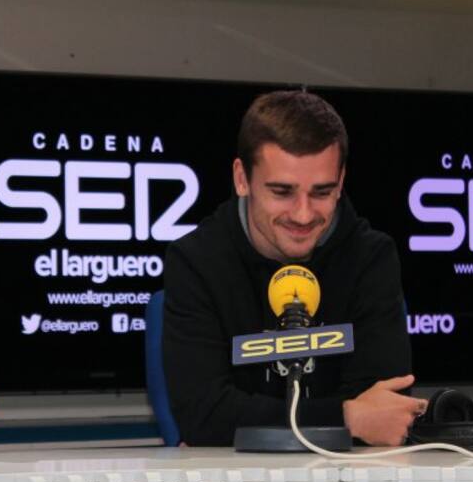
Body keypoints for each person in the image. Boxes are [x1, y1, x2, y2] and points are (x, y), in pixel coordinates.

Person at [162, 89, 426, 446]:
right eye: (282, 192)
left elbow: (385, 410)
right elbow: (205, 416)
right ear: (242, 179)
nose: (303, 215)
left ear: (341, 182)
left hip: (348, 477)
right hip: (239, 477)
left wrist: (255, 420)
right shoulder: (196, 261)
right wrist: (347, 418)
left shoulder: (371, 257)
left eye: (321, 192)